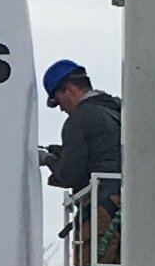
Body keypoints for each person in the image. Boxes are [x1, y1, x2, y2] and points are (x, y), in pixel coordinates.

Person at [40, 60, 122, 193]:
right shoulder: (119, 110)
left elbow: (70, 175)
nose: (61, 109)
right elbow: (101, 151)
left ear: (69, 90)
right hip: (129, 199)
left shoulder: (78, 119)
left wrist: (46, 159)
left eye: (58, 101)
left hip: (101, 204)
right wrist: (60, 153)